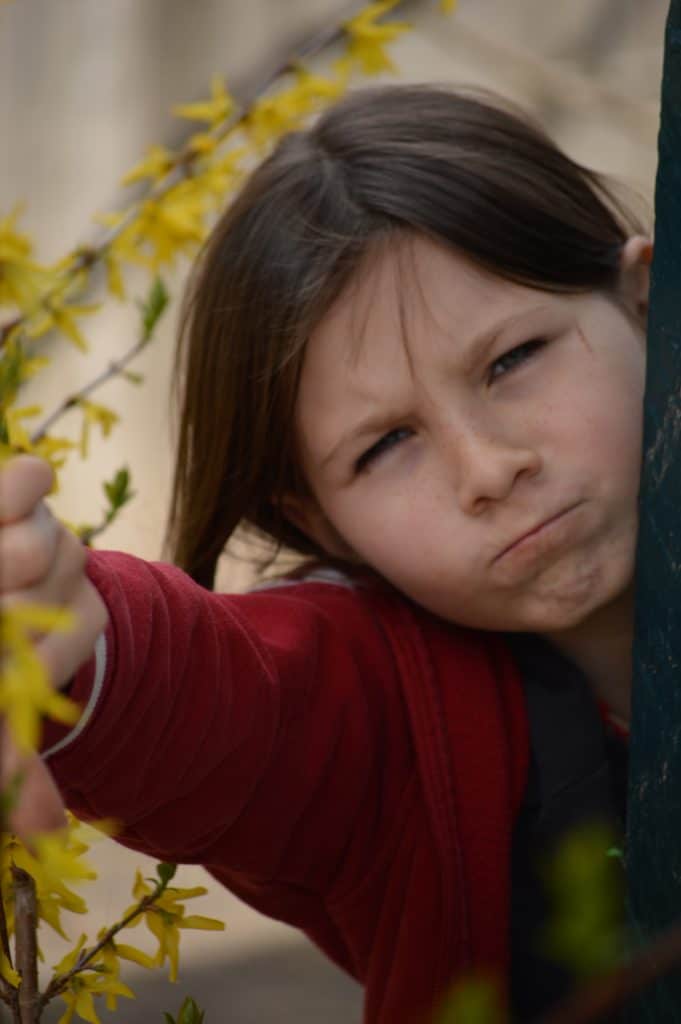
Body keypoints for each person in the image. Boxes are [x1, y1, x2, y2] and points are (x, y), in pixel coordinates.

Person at [0, 84, 652, 1022]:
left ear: (643, 297)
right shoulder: (382, 723)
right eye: (385, 445)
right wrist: (64, 625)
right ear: (321, 520)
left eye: (511, 360)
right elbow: (207, 691)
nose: (487, 469)